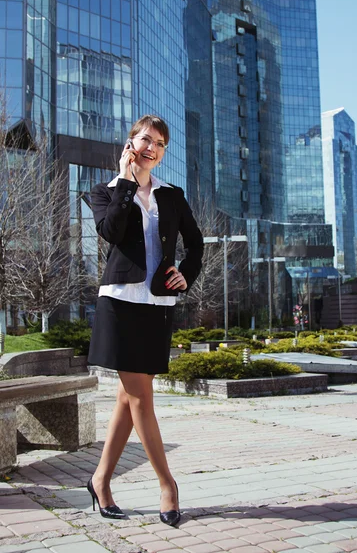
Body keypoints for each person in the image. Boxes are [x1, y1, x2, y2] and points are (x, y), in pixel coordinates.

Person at [87, 115, 203, 526]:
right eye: (145, 139)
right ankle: (168, 485)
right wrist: (125, 183)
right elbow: (111, 232)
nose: (151, 147)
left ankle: (100, 481)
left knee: (127, 398)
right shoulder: (104, 191)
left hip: (157, 304)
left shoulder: (172, 195)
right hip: (119, 302)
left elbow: (196, 242)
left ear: (163, 152)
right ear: (130, 143)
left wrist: (186, 274)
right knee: (140, 397)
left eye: (159, 142)